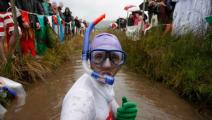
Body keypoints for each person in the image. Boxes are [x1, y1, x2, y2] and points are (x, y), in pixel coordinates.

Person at [61, 33, 138, 120]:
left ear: (121, 62)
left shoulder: (105, 82)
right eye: (99, 57)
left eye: (114, 57)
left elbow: (109, 98)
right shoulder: (80, 100)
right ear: (89, 61)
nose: (107, 65)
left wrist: (119, 113)